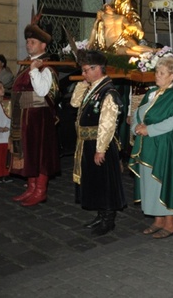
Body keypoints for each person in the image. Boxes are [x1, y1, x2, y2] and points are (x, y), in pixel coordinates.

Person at [129, 56, 173, 238]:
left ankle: (170, 224)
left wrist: (149, 129)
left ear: (172, 76)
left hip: (165, 145)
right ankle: (157, 219)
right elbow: (137, 114)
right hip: (147, 145)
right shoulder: (150, 93)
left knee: (164, 180)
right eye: (156, 72)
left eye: (162, 73)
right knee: (150, 182)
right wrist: (136, 128)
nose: (157, 76)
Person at [70, 51, 126, 236]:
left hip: (100, 144)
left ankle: (108, 219)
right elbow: (74, 102)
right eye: (83, 70)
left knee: (104, 182)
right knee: (94, 180)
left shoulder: (108, 92)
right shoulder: (92, 87)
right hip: (87, 143)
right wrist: (82, 84)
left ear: (97, 69)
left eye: (86, 70)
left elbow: (107, 123)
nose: (84, 74)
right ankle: (100, 214)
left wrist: (100, 149)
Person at [10, 19, 60, 207]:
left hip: (38, 118)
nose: (28, 45)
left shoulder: (46, 66)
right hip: (24, 117)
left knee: (40, 154)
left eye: (32, 42)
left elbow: (42, 91)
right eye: (27, 42)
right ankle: (31, 188)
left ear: (43, 45)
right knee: (29, 153)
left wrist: (33, 70)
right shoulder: (27, 64)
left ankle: (40, 191)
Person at [87, 0, 151, 56]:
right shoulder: (104, 13)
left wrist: (133, 27)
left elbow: (133, 17)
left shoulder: (125, 11)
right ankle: (142, 56)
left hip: (123, 35)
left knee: (133, 46)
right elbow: (95, 27)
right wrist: (90, 42)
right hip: (113, 42)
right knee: (126, 50)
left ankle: (155, 51)